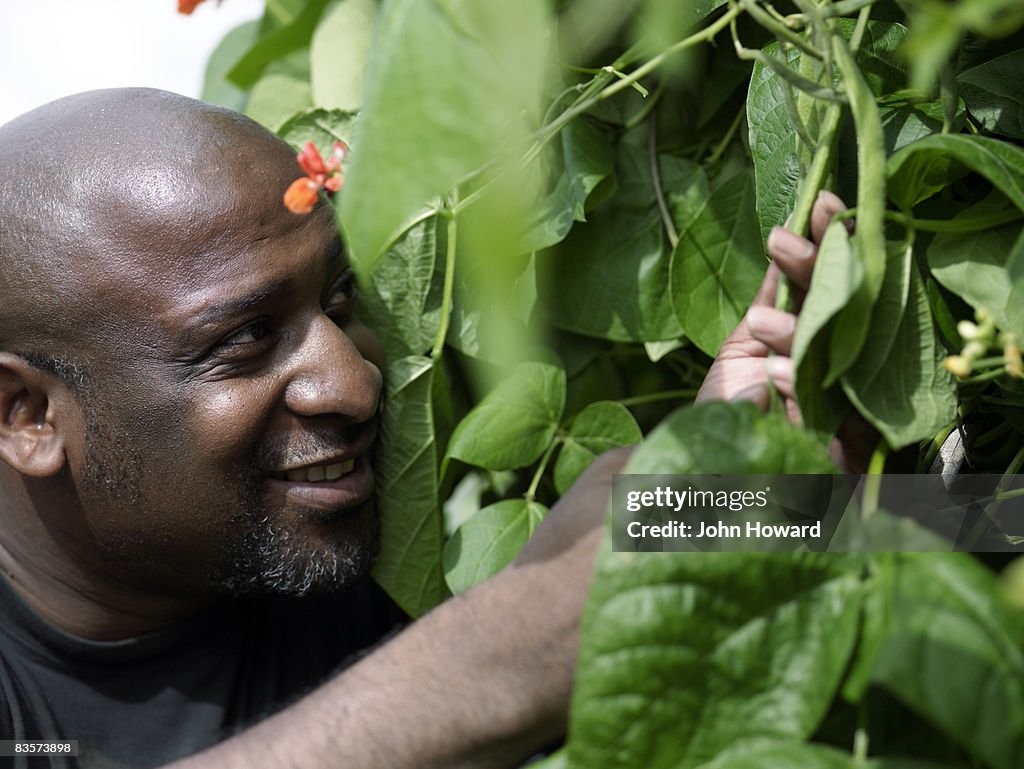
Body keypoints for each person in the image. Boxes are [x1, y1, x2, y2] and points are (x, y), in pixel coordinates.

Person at [0, 88, 848, 769]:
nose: (356, 384)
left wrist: (786, 475)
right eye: (244, 339)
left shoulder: (333, 533)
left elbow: (966, 523)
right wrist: (527, 631)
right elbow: (543, 623)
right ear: (27, 416)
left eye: (340, 300)